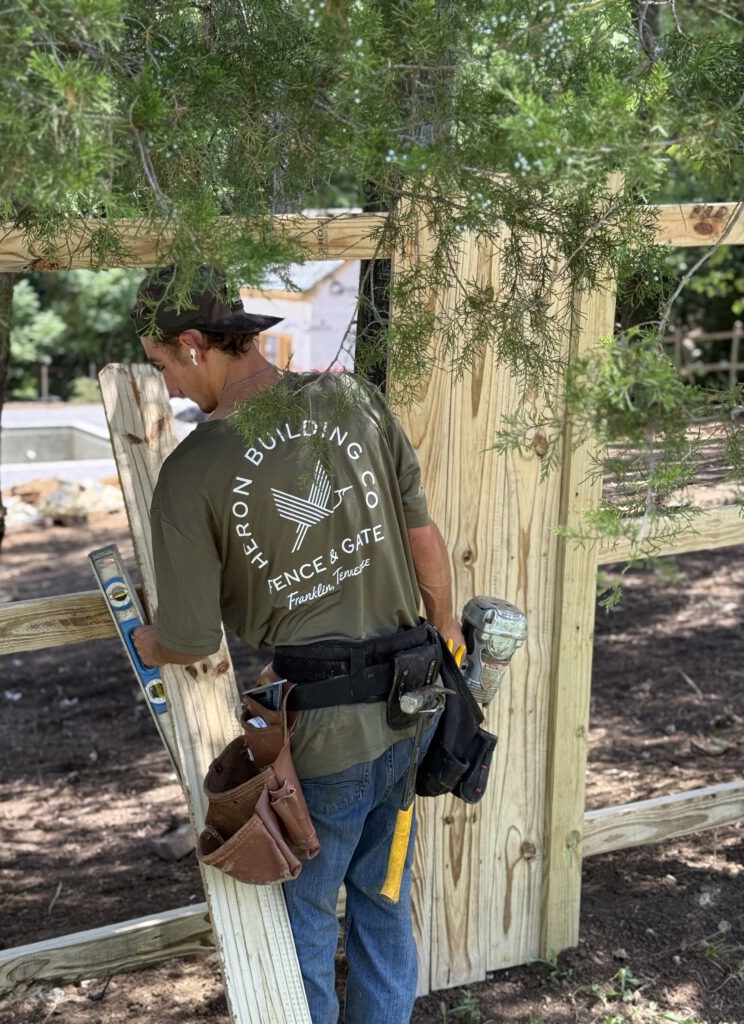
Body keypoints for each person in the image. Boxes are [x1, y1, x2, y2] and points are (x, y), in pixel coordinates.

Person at [131, 267, 464, 1024]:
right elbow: (423, 540)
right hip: (411, 716)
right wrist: (445, 645)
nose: (172, 385)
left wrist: (144, 636)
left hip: (321, 745)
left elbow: (185, 639)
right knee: (384, 907)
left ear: (194, 344)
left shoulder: (193, 473)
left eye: (164, 364)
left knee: (303, 924)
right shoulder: (354, 400)